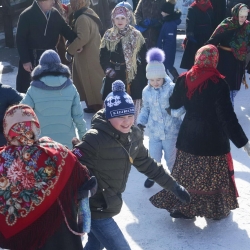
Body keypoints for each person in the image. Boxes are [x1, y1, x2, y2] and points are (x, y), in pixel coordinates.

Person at [72, 80, 191, 249]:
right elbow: (71, 165)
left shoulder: (133, 136)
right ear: (109, 116)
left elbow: (149, 165)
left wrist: (174, 186)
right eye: (120, 116)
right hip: (96, 206)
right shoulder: (95, 138)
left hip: (109, 201)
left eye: (130, 116)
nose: (126, 121)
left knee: (94, 244)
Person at [150, 45, 250, 220]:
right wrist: (243, 142)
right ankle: (215, 209)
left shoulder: (184, 79)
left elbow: (173, 104)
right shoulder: (219, 83)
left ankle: (184, 207)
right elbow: (227, 117)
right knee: (211, 179)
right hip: (213, 141)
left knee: (187, 176)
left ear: (197, 58)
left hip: (189, 137)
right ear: (214, 60)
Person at [0, 104, 93, 250]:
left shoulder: (2, 161)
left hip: (23, 241)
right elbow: (84, 183)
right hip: (61, 239)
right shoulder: (58, 153)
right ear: (35, 127)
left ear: (7, 131)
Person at [137, 48, 185, 188]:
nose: (155, 82)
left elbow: (182, 106)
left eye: (158, 79)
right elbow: (145, 108)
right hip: (154, 132)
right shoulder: (146, 91)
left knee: (171, 159)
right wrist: (140, 122)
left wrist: (174, 112)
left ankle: (174, 180)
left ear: (164, 76)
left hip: (171, 132)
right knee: (153, 158)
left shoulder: (172, 88)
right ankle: (153, 176)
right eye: (152, 80)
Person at [21, 50, 86, 149]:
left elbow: (22, 113)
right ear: (59, 65)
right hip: (67, 143)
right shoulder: (70, 87)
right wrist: (83, 139)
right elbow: (78, 117)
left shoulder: (34, 89)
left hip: (43, 143)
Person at [16, 0, 77, 93]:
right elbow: (20, 40)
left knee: (53, 89)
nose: (54, 1)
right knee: (31, 90)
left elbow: (66, 30)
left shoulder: (54, 13)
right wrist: (25, 60)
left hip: (51, 58)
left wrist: (77, 42)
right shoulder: (26, 15)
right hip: (32, 58)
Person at [100, 5, 147, 122]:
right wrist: (107, 69)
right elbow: (103, 56)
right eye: (117, 18)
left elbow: (144, 57)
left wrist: (144, 77)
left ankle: (131, 129)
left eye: (122, 18)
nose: (120, 21)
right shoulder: (108, 35)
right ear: (113, 19)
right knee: (113, 105)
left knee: (132, 106)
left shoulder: (136, 35)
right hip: (114, 75)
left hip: (133, 77)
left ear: (128, 19)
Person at [206, 3, 250, 106]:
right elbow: (213, 40)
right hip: (225, 60)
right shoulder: (226, 25)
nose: (243, 19)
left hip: (239, 61)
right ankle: (227, 112)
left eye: (245, 16)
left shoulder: (247, 27)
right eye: (241, 16)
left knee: (235, 88)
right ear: (235, 15)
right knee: (226, 87)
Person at [67, 0, 104, 113]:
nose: (70, 5)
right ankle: (93, 105)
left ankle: (97, 107)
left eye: (72, 3)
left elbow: (82, 38)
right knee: (91, 81)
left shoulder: (82, 17)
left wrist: (70, 51)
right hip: (91, 53)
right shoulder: (89, 12)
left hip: (87, 56)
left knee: (90, 81)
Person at [180, 0, 215, 70]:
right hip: (196, 37)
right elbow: (189, 23)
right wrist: (190, 35)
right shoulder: (192, 8)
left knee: (206, 61)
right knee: (193, 61)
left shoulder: (209, 7)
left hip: (207, 36)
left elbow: (212, 22)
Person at [157, 0, 181, 82]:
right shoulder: (167, 22)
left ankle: (170, 80)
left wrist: (164, 51)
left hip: (167, 51)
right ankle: (175, 78)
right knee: (167, 66)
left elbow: (169, 40)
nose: (161, 13)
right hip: (166, 50)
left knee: (166, 66)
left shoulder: (170, 24)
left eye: (162, 11)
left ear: (167, 12)